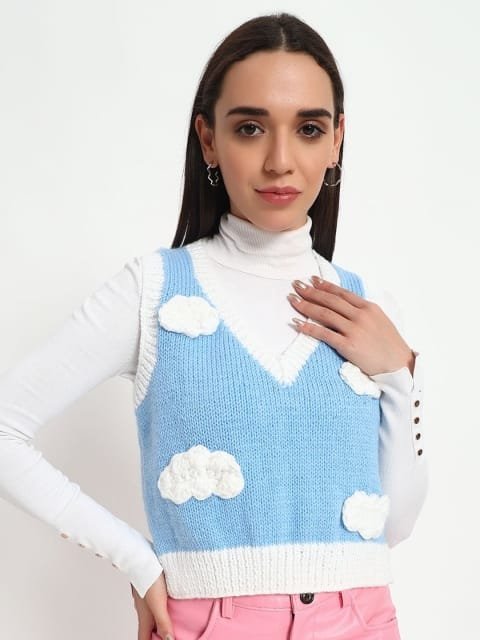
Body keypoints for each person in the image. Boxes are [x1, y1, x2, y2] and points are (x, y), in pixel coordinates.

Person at [0, 12, 428, 640]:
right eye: (250, 128)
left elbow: (395, 526)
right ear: (208, 139)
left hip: (362, 621)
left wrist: (399, 376)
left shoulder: (366, 306)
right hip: (207, 624)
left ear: (337, 140)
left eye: (309, 129)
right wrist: (136, 559)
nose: (280, 161)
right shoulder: (152, 291)